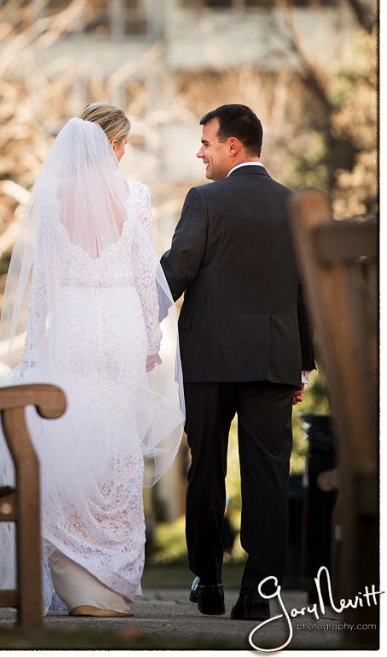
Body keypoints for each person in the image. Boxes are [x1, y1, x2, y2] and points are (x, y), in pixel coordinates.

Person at [0, 104, 185, 617]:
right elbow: (142, 275)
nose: (125, 152)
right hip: (118, 323)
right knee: (116, 440)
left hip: (72, 326)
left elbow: (43, 283)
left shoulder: (52, 199)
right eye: (124, 143)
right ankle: (110, 584)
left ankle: (76, 578)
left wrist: (35, 355)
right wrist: (150, 339)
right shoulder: (135, 196)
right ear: (111, 145)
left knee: (69, 439)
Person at [161, 104, 315, 621]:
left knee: (205, 470)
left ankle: (208, 577)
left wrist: (129, 313)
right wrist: (303, 364)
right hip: (274, 358)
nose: (199, 152)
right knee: (267, 475)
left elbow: (174, 273)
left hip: (208, 359)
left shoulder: (204, 200)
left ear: (233, 146)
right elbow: (307, 292)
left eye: (205, 142)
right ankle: (260, 594)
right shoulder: (295, 206)